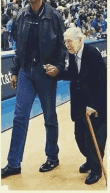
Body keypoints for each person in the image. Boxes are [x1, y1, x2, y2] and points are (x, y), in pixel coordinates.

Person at [1, 0, 66, 178]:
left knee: (49, 117)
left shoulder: (54, 16)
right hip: (26, 72)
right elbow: (18, 48)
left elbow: (62, 46)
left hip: (46, 72)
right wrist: (14, 71)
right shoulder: (21, 15)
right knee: (19, 117)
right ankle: (13, 163)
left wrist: (59, 68)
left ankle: (52, 157)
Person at [58, 27, 107, 185]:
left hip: (95, 105)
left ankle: (96, 170)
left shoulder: (92, 54)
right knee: (80, 137)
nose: (67, 45)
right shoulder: (73, 55)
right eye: (65, 42)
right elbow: (73, 75)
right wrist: (57, 73)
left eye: (69, 41)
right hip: (79, 105)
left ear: (80, 40)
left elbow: (103, 81)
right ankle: (90, 159)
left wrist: (93, 105)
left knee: (94, 139)